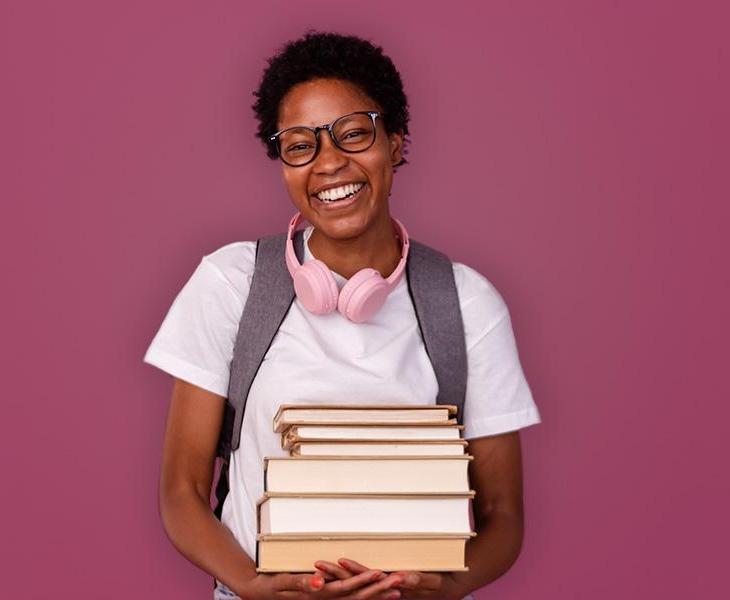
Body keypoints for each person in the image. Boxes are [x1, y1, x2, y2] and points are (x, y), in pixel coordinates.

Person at [143, 31, 541, 600]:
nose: (329, 163)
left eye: (353, 134)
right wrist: (251, 584)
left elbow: (504, 516)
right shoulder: (231, 285)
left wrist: (445, 589)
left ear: (396, 143)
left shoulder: (466, 302)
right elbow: (181, 492)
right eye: (300, 144)